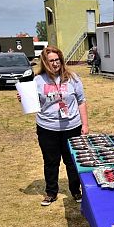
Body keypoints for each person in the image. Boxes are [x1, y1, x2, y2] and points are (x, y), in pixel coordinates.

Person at [19, 45, 89, 206]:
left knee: (71, 161)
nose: (55, 63)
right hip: (47, 128)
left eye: (57, 60)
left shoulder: (73, 78)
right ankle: (51, 193)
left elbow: (81, 102)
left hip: (71, 127)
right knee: (51, 161)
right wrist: (23, 98)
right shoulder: (38, 80)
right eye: (51, 61)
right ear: (45, 62)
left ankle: (75, 191)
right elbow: (32, 102)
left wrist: (85, 124)